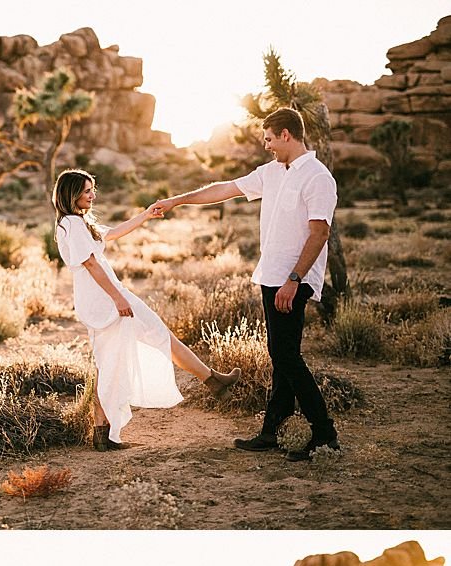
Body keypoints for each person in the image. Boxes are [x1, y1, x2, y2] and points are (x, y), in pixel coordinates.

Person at [154, 107, 340, 461]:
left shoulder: (317, 177)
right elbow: (224, 189)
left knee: (287, 356)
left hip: (293, 278)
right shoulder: (272, 172)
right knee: (281, 354)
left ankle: (325, 434)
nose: (266, 145)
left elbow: (320, 233)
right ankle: (272, 431)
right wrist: (179, 200)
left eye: (269, 138)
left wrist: (294, 280)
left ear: (286, 134)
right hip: (271, 275)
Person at [53, 169, 240, 451]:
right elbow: (90, 265)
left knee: (113, 361)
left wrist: (146, 214)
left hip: (103, 297)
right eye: (87, 191)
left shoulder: (78, 222)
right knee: (132, 350)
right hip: (105, 298)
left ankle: (103, 434)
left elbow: (113, 233)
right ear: (71, 194)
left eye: (93, 189)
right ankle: (212, 381)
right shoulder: (71, 223)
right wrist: (118, 298)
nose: (93, 195)